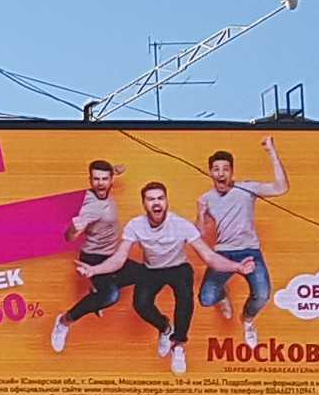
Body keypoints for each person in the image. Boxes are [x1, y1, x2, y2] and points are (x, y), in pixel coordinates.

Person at [112, 182, 245, 377]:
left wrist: (237, 267)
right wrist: (94, 269)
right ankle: (165, 327)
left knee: (185, 299)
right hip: (152, 269)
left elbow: (208, 256)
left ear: (166, 201)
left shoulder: (181, 225)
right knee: (141, 304)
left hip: (178, 268)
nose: (156, 203)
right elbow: (119, 257)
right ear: (144, 204)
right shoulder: (135, 225)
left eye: (160, 198)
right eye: (151, 199)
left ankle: (179, 345)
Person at [195, 137, 288, 346]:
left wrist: (271, 151)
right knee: (206, 299)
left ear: (231, 172)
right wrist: (201, 213)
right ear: (210, 172)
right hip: (223, 254)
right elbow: (199, 235)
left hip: (249, 252)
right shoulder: (207, 198)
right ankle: (222, 293)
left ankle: (247, 321)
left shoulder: (247, 189)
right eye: (216, 169)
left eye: (225, 169)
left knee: (263, 295)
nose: (221, 173)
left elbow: (281, 187)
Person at [49, 159, 132, 352]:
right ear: (90, 180)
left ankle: (97, 293)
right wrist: (72, 230)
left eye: (105, 178)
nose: (100, 183)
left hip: (113, 255)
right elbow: (70, 237)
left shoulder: (105, 186)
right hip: (94, 258)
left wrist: (116, 169)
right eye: (96, 179)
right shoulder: (91, 207)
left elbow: (108, 174)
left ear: (111, 179)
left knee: (147, 273)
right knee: (110, 295)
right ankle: (64, 321)